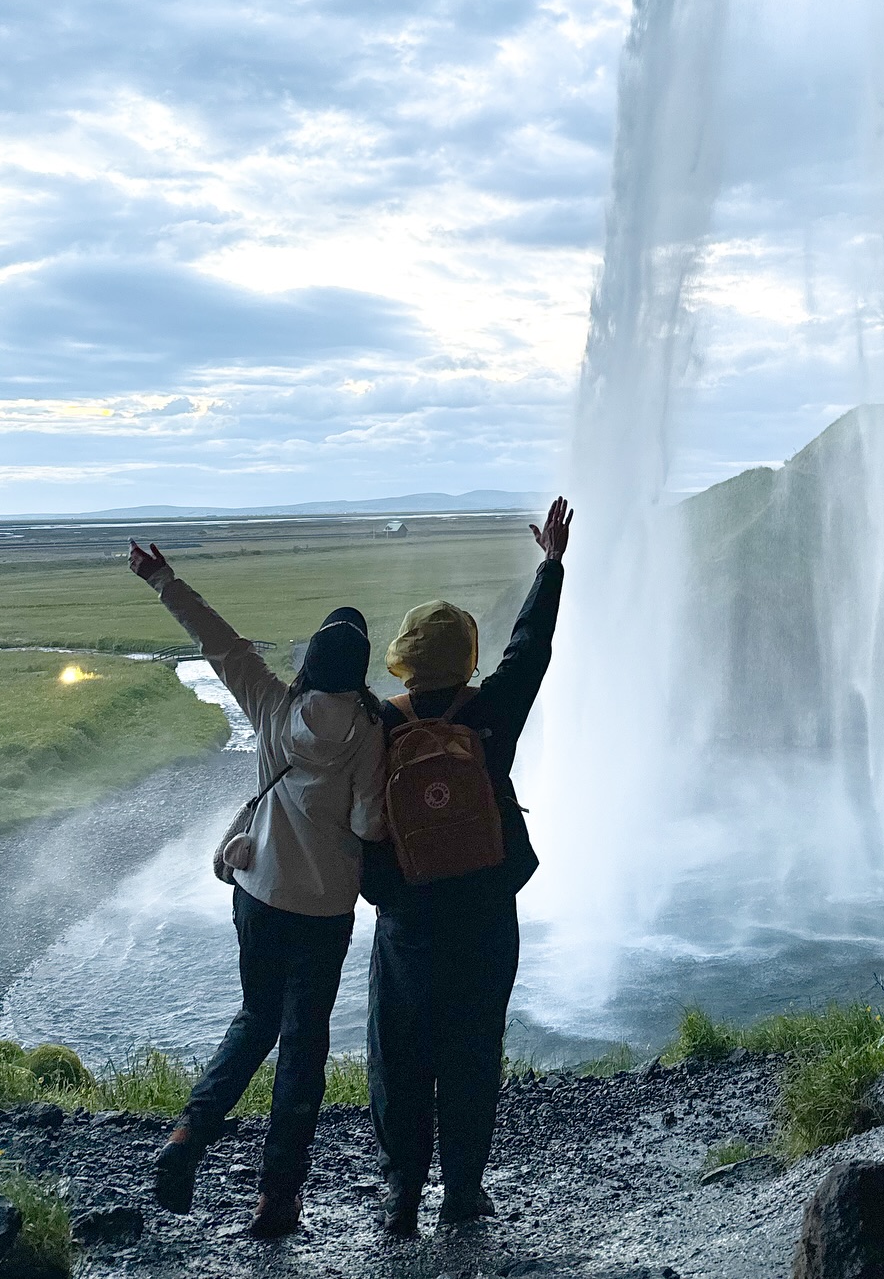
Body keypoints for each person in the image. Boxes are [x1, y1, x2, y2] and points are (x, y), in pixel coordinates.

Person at [127, 539, 386, 1240]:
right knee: (304, 1047)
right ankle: (277, 1199)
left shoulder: (273, 705)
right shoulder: (368, 733)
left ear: (310, 664)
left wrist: (163, 580)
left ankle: (188, 1134)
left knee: (254, 1020)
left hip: (259, 896)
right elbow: (367, 820)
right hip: (325, 911)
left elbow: (219, 643)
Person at [364, 494, 572, 1239]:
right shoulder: (490, 714)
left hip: (408, 917)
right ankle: (462, 1193)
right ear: (466, 658)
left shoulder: (380, 723)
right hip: (485, 911)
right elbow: (530, 651)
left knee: (399, 1051)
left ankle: (398, 1197)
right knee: (473, 1047)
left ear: (406, 660)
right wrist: (551, 565)